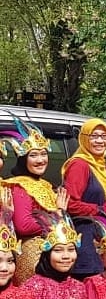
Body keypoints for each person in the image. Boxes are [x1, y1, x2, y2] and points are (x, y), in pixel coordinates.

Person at [3, 118, 69, 284]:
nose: (40, 160)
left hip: (52, 252)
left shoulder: (46, 185)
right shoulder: (19, 185)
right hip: (33, 254)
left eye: (43, 154)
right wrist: (57, 215)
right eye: (33, 155)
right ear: (23, 158)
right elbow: (23, 225)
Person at [61, 118, 106, 278]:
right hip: (85, 239)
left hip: (99, 238)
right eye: (94, 136)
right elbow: (69, 203)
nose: (100, 141)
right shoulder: (80, 165)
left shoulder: (100, 166)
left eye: (105, 136)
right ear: (84, 138)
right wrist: (100, 209)